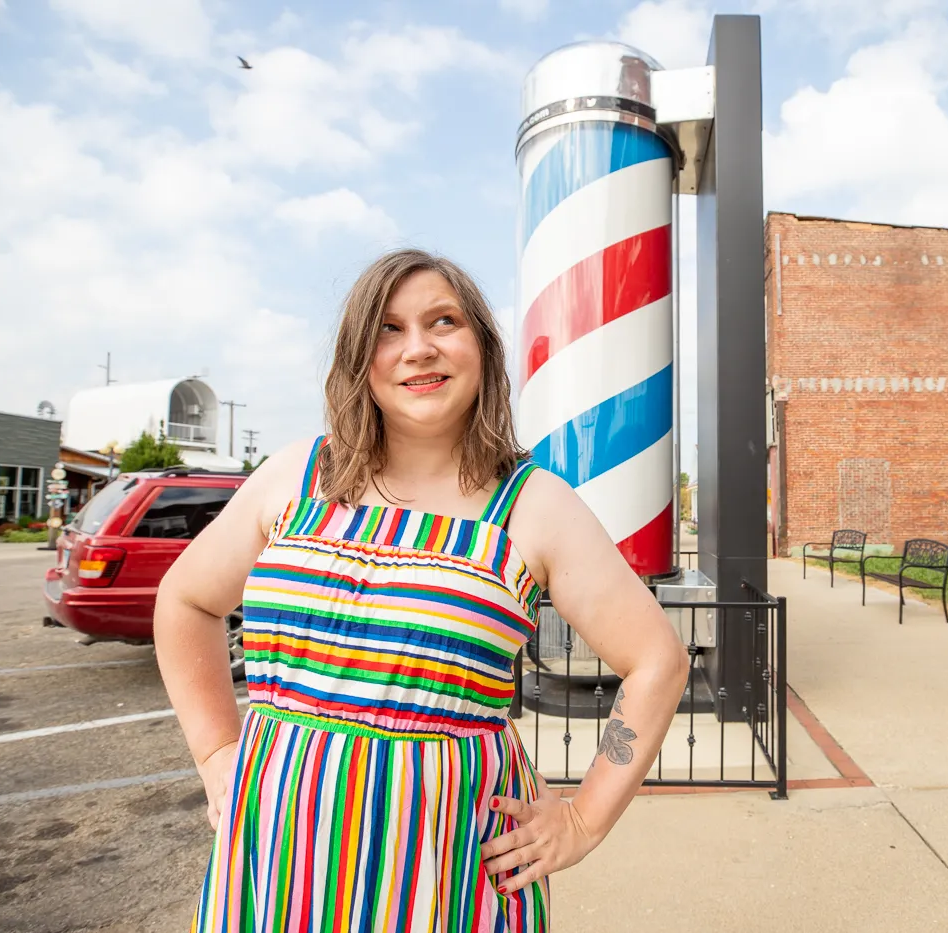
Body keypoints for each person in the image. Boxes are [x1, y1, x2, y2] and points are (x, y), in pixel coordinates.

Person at [154, 249, 690, 932]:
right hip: (277, 862)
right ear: (358, 356)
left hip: (448, 876)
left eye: (444, 321)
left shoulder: (533, 507)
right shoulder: (296, 475)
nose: (418, 348)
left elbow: (658, 662)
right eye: (389, 327)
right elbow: (185, 601)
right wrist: (214, 752)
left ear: (482, 349)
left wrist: (584, 817)